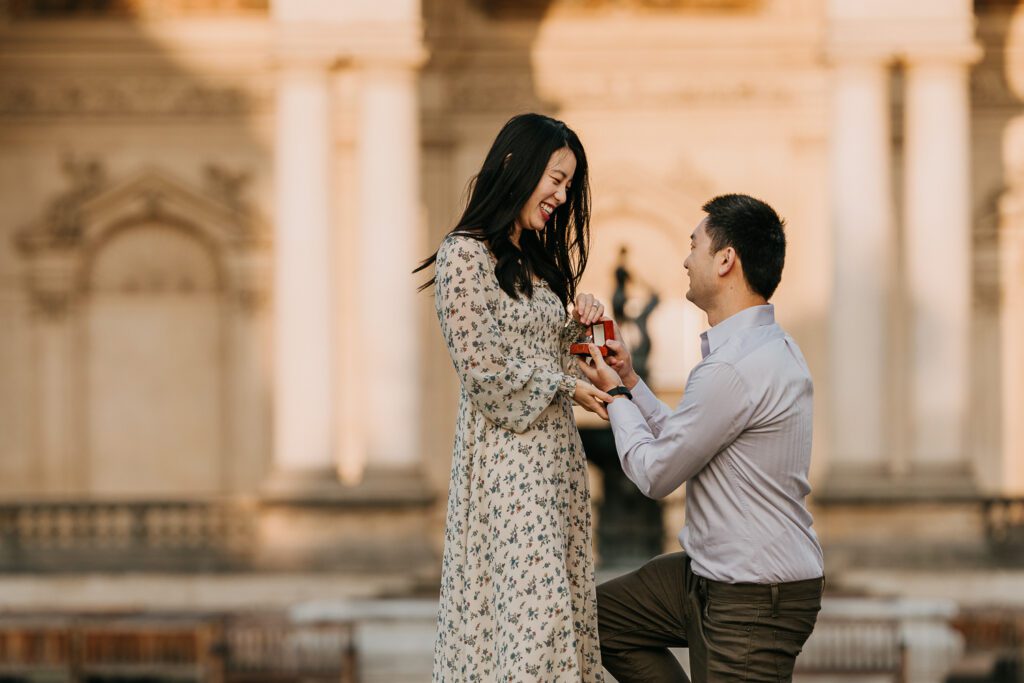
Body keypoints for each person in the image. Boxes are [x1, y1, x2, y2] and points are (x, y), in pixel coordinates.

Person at [577, 194, 825, 682]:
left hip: (753, 597)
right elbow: (687, 442)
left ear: (726, 260)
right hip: (707, 575)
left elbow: (655, 474)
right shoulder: (758, 351)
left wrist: (616, 397)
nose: (686, 260)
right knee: (593, 619)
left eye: (694, 245)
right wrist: (629, 380)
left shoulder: (733, 368)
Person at [415, 113, 610, 682]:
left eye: (569, 183)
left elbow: (550, 358)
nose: (562, 194)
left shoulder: (538, 267)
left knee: (563, 627)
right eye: (555, 177)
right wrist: (568, 386)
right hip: (506, 471)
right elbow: (485, 372)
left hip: (555, 471)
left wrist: (583, 328)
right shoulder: (464, 257)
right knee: (534, 633)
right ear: (515, 167)